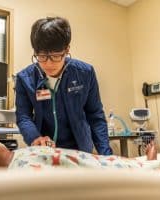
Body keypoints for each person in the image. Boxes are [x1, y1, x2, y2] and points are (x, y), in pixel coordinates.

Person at [15, 16, 112, 155]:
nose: (48, 64)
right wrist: (35, 138)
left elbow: (95, 115)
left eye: (55, 56)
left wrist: (106, 155)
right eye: (41, 56)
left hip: (80, 149)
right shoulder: (25, 79)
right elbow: (24, 116)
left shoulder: (85, 73)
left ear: (67, 50)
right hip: (44, 151)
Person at [0, 132, 160, 171]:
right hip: (110, 172)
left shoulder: (19, 155)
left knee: (109, 158)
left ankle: (146, 161)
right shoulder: (21, 173)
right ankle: (151, 165)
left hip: (94, 158)